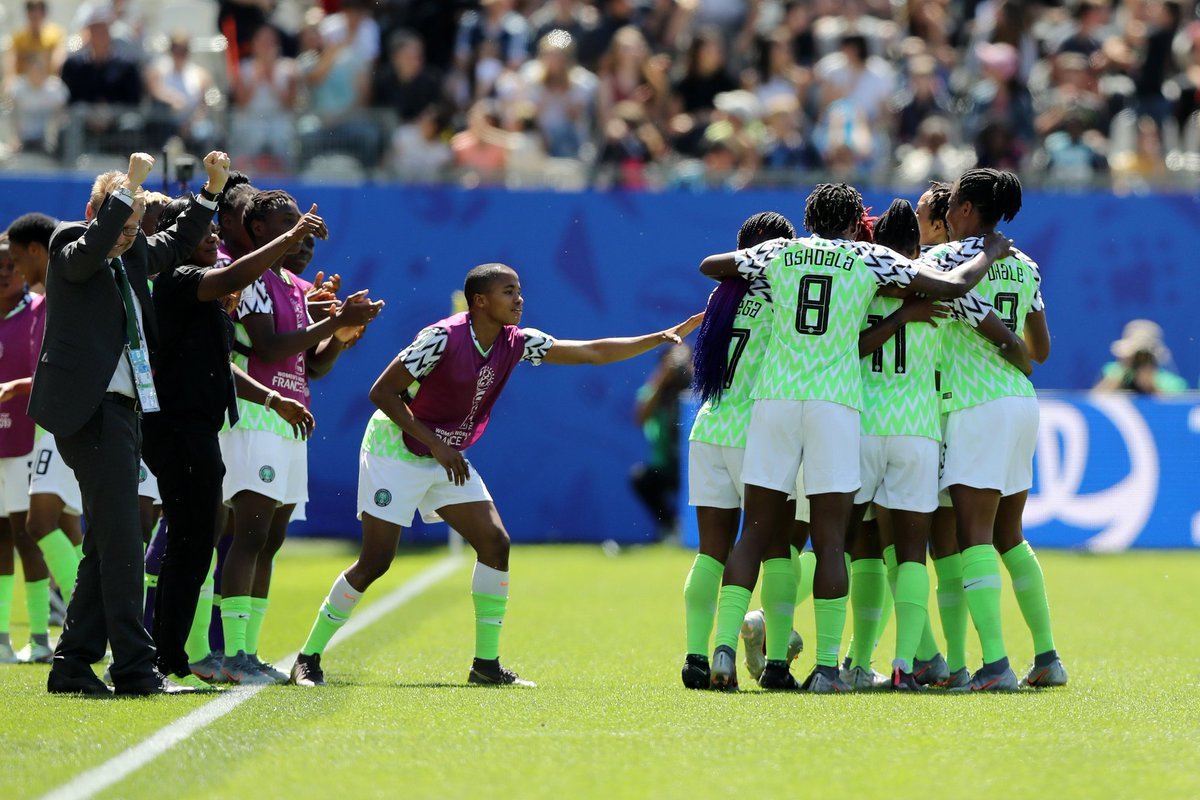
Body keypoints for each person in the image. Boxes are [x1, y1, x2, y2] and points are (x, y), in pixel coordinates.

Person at [290, 263, 702, 688]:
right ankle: (307, 657)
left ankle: (485, 665)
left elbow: (593, 352)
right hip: (396, 448)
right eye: (509, 291)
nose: (519, 299)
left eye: (520, 291)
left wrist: (659, 336)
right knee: (376, 561)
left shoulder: (517, 341)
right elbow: (381, 392)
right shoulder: (440, 338)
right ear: (480, 301)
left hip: (442, 452)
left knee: (494, 542)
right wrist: (435, 443)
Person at [697, 183, 1012, 692]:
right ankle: (826, 668)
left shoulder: (781, 251)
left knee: (754, 531)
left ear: (809, 217)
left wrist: (760, 275)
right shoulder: (867, 258)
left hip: (775, 403)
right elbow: (951, 286)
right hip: (835, 406)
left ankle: (724, 650)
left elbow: (713, 265)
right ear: (851, 224)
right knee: (829, 540)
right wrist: (991, 252)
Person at [32, 151, 221, 697]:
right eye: (121, 222)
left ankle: (72, 665)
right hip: (87, 411)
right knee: (122, 540)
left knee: (112, 538)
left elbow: (179, 242)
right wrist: (128, 190)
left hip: (123, 409)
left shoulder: (130, 251)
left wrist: (211, 190)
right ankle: (136, 669)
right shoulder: (71, 243)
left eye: (136, 226)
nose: (127, 236)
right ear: (97, 209)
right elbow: (91, 248)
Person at [853, 198, 1031, 691]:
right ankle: (917, 664)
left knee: (841, 544)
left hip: (861, 424)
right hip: (922, 426)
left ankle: (837, 658)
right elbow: (1006, 334)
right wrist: (1019, 354)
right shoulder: (940, 282)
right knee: (921, 552)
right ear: (920, 235)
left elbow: (848, 347)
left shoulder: (863, 283)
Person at [144, 194, 320, 691]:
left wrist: (271, 399)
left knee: (200, 541)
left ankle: (180, 658)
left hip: (203, 426)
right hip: (178, 427)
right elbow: (233, 287)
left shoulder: (212, 298)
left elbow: (221, 368)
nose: (214, 239)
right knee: (191, 542)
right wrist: (290, 237)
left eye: (215, 233)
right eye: (204, 233)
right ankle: (162, 656)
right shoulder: (179, 281)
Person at [218, 190, 382, 685]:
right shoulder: (251, 277)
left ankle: (250, 651)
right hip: (254, 416)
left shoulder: (294, 285)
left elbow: (310, 364)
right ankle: (232, 655)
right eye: (290, 223)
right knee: (246, 536)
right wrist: (334, 319)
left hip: (292, 420)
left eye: (306, 224)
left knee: (270, 540)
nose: (305, 232)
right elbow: (266, 347)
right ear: (260, 230)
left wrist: (341, 335)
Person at [923, 167, 1065, 691]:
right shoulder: (1024, 265)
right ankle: (1047, 656)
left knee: (972, 535)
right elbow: (1042, 351)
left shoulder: (941, 260)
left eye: (953, 202)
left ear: (963, 209)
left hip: (973, 404)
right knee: (1010, 534)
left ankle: (996, 665)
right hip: (1021, 404)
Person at [682, 211, 806, 690]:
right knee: (774, 548)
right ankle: (770, 662)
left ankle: (696, 656)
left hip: (709, 427)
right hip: (759, 434)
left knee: (710, 551)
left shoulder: (720, 297)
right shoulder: (781, 296)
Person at [2, 212, 83, 648]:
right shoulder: (51, 293)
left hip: (64, 421)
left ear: (36, 251)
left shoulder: (60, 294)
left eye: (16, 258)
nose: (16, 269)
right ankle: (84, 618)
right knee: (65, 527)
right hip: (58, 423)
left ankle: (87, 612)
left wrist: (18, 385)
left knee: (39, 522)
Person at [0, 235, 53, 664]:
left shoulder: (40, 310)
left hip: (26, 440)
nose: (4, 273)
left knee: (27, 535)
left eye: (10, 266)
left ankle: (39, 638)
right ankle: (2, 638)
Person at [629, 343, 691, 540]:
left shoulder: (697, 384)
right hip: (667, 465)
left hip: (696, 464)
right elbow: (641, 416)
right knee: (641, 479)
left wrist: (694, 372)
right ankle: (671, 526)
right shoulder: (658, 389)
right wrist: (662, 377)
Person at [1093, 320, 1187, 395]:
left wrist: (1150, 386)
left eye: (1146, 357)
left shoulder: (1172, 383)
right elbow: (1095, 403)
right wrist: (1122, 370)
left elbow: (1173, 412)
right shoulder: (1111, 371)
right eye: (1135, 355)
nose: (1140, 359)